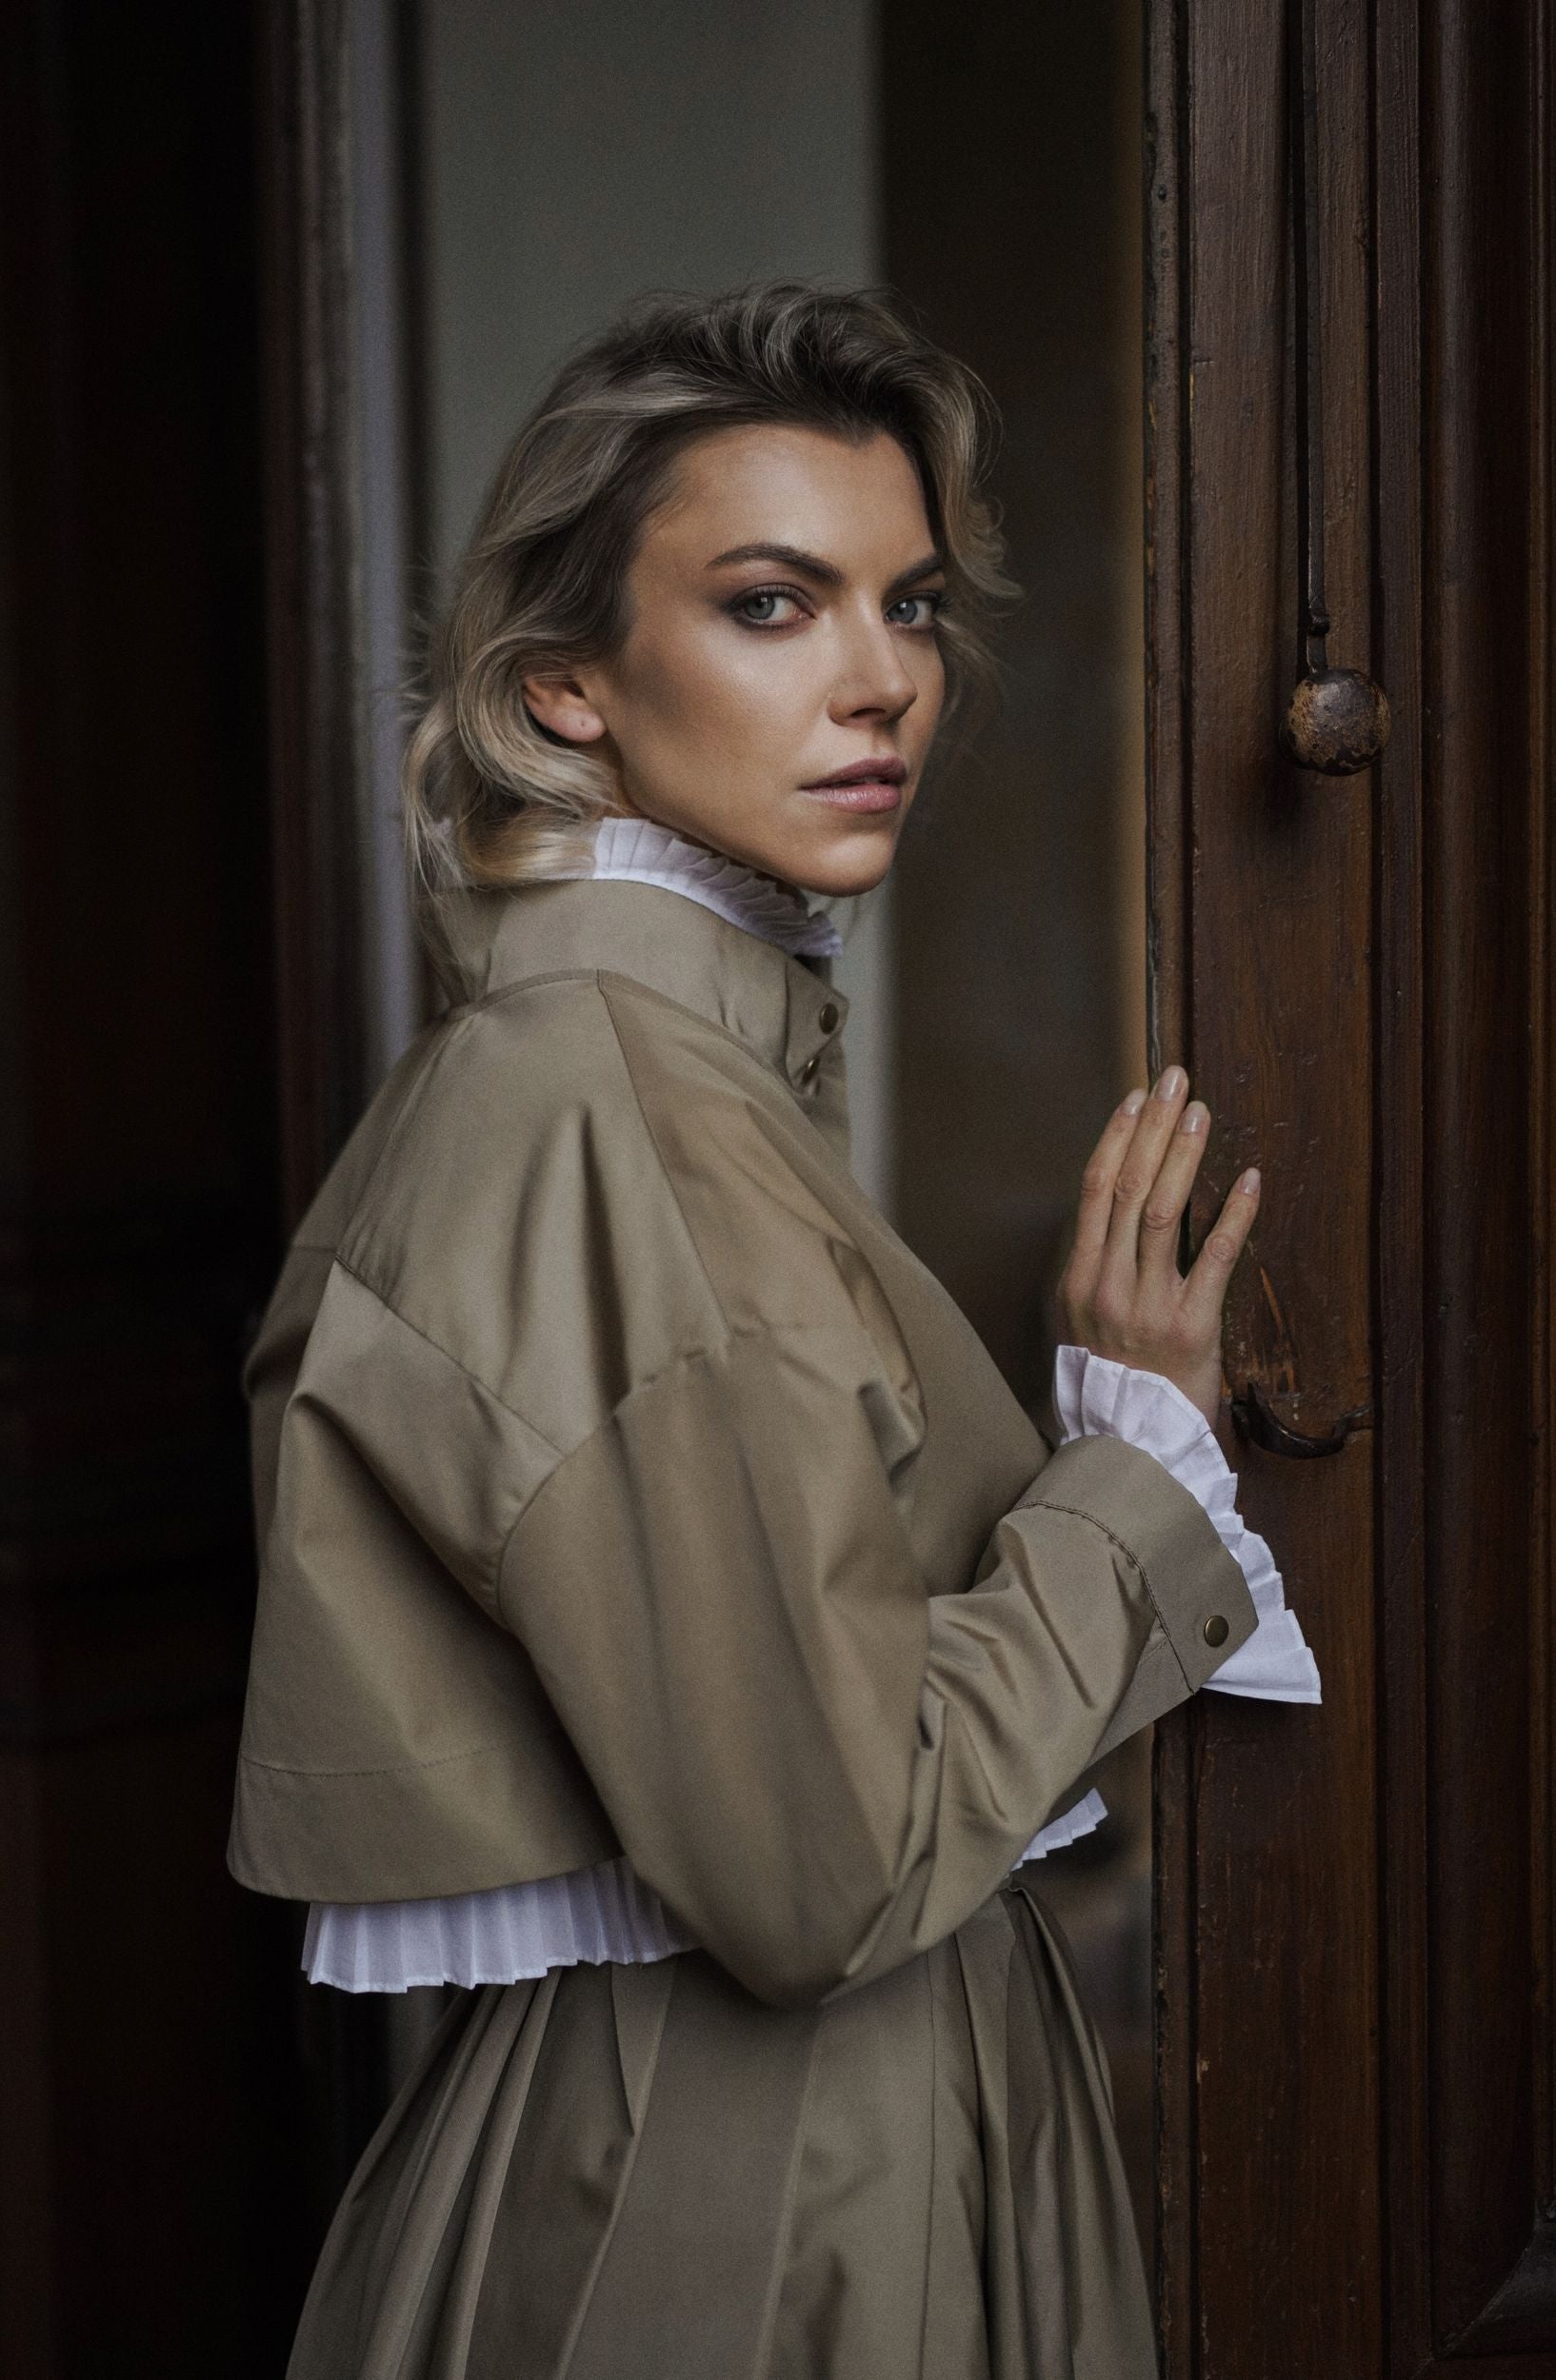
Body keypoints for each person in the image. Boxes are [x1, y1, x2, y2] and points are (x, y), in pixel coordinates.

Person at [229, 282, 1320, 2380]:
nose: (881, 679)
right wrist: (1133, 1471)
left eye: (909, 606)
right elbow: (824, 1870)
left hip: (803, 2147)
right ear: (564, 689)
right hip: (755, 2198)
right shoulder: (608, 1106)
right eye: (769, 604)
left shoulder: (664, 1074)